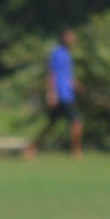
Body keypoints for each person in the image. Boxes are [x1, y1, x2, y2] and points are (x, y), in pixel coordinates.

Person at [26, 29, 82, 159]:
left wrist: (74, 84)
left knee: (51, 125)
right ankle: (76, 151)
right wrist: (52, 94)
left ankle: (31, 148)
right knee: (77, 121)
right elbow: (52, 74)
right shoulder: (58, 53)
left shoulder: (67, 54)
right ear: (64, 38)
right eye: (71, 37)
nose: (73, 40)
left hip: (67, 93)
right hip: (62, 95)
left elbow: (65, 75)